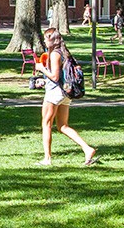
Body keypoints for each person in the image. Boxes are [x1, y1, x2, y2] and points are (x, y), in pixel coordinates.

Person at [34, 28, 96, 166]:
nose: (44, 41)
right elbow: (60, 76)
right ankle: (87, 148)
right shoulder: (64, 53)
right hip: (65, 93)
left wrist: (41, 68)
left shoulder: (54, 54)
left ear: (52, 39)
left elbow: (55, 77)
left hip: (55, 93)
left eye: (46, 38)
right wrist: (44, 81)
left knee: (46, 124)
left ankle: (47, 158)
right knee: (62, 126)